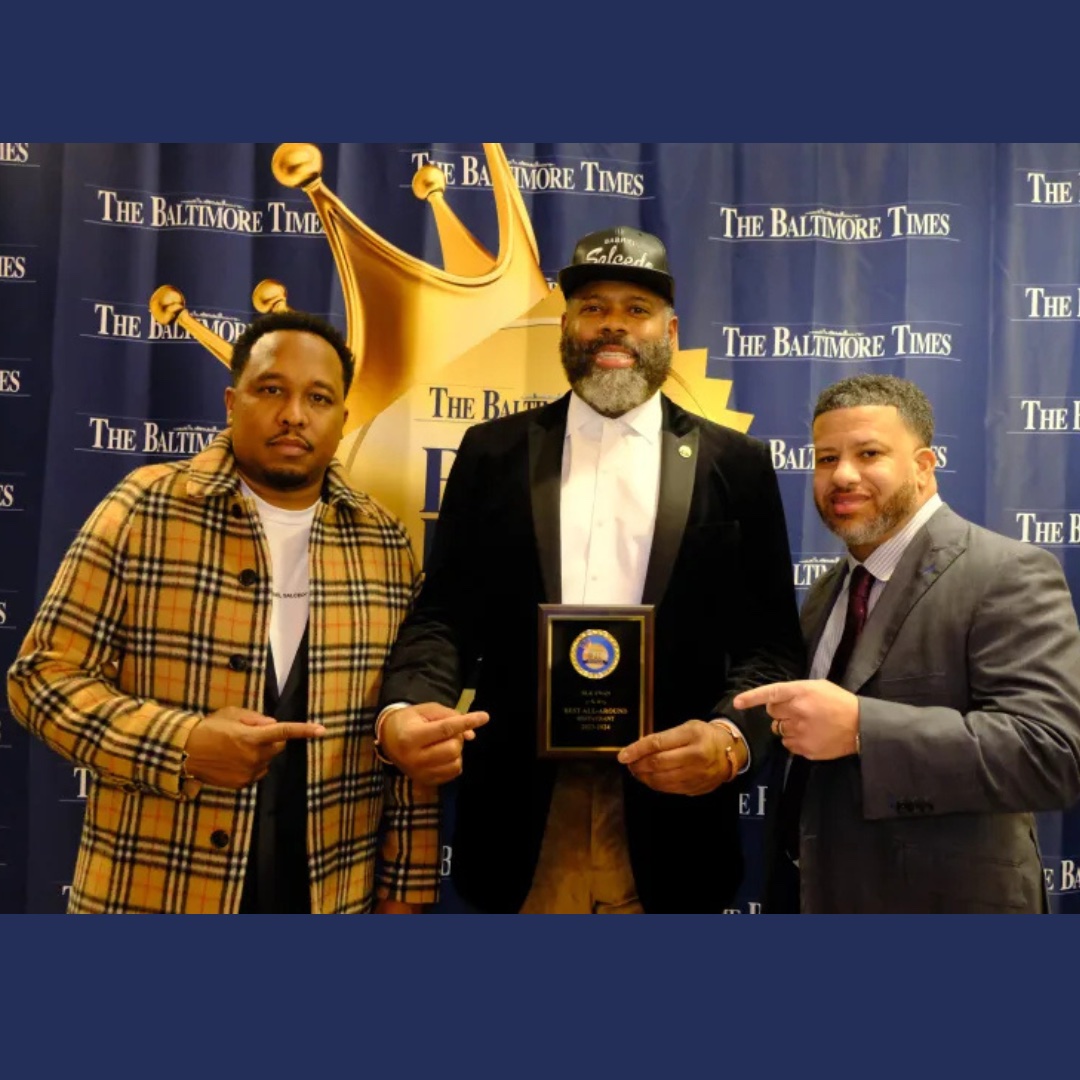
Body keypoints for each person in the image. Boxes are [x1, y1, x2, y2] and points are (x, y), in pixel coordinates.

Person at [374, 225, 805, 913]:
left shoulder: (737, 465)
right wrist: (403, 709)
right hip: (521, 818)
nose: (613, 325)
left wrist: (728, 741)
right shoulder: (492, 453)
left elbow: (771, 645)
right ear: (565, 325)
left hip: (674, 819)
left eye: (636, 309)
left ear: (670, 329)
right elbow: (445, 615)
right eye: (593, 306)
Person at [7, 309, 444, 913]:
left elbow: (405, 732)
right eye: (272, 390)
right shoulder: (145, 509)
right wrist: (179, 742)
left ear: (344, 420)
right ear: (232, 400)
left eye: (318, 398)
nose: (294, 413)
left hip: (330, 897)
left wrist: (407, 890)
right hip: (153, 896)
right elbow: (40, 680)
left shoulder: (383, 542)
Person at [734, 373, 1080, 913]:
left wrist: (861, 729)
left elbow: (1051, 755)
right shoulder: (828, 591)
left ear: (923, 467)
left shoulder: (1008, 572)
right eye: (825, 459)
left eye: (868, 453)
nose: (842, 475)